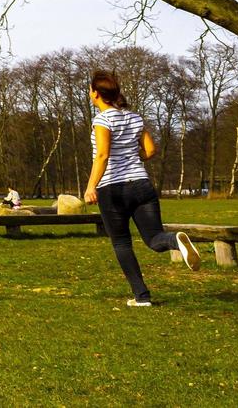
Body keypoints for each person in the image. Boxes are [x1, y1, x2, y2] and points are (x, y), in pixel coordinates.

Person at [84, 69, 200, 306]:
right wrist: (131, 159)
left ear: (95, 93)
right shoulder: (134, 117)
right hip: (142, 185)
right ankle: (175, 241)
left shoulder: (102, 120)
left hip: (113, 189)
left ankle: (142, 296)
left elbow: (103, 155)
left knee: (121, 243)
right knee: (155, 239)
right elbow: (149, 150)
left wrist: (90, 187)